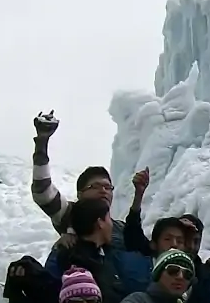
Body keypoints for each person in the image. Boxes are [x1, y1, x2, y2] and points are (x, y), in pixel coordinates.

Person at [28, 112, 151, 292]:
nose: (103, 191)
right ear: (80, 194)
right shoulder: (70, 215)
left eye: (108, 187)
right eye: (96, 186)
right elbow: (42, 192)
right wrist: (42, 142)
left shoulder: (120, 228)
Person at [45, 198, 122, 303]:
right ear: (100, 223)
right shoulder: (79, 261)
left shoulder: (95, 252)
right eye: (108, 218)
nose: (112, 224)